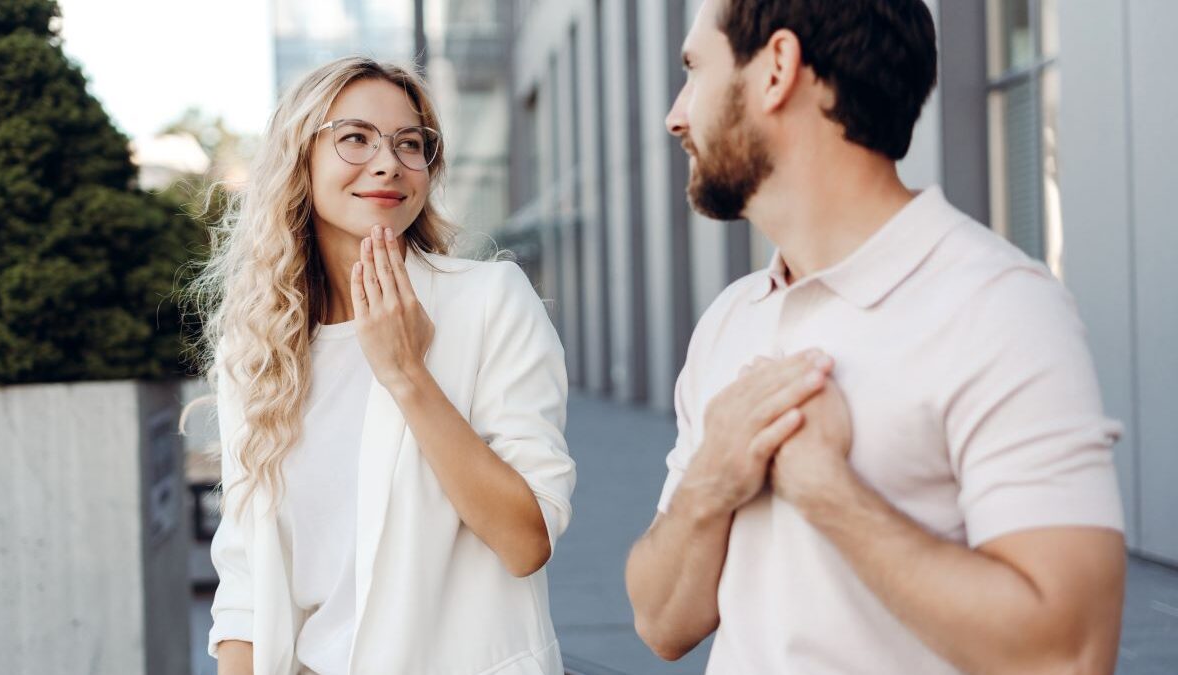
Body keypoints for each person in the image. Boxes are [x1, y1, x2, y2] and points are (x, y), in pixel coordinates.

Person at [624, 1, 1126, 673]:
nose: (676, 115)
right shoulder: (729, 319)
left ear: (777, 69)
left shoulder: (1000, 308)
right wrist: (712, 477)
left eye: (695, 70)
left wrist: (828, 488)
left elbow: (1069, 652)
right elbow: (661, 622)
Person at [185, 57, 575, 675]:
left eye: (410, 143)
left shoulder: (489, 301)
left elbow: (525, 540)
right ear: (299, 159)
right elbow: (245, 583)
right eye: (355, 138)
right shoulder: (257, 347)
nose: (388, 161)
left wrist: (407, 375)